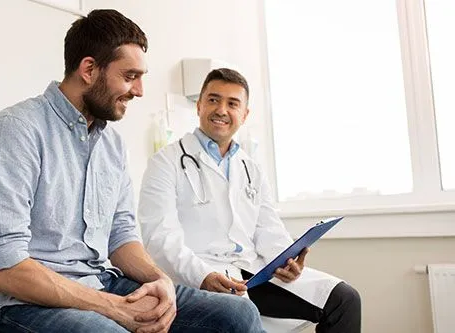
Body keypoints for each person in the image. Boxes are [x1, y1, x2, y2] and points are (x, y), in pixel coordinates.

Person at [0, 10, 265, 333]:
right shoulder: (15, 131)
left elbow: (120, 236)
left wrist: (159, 279)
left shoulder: (111, 145)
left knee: (237, 315)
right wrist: (113, 308)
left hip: (102, 283)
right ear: (89, 69)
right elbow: (3, 266)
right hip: (23, 305)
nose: (139, 90)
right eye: (130, 76)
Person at [138, 68, 362, 333]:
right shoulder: (165, 163)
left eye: (232, 103)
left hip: (251, 275)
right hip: (199, 277)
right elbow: (160, 239)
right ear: (198, 105)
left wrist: (288, 262)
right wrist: (203, 276)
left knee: (344, 299)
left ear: (244, 115)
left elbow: (269, 229)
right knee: (238, 314)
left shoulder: (251, 168)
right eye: (213, 99)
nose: (221, 109)